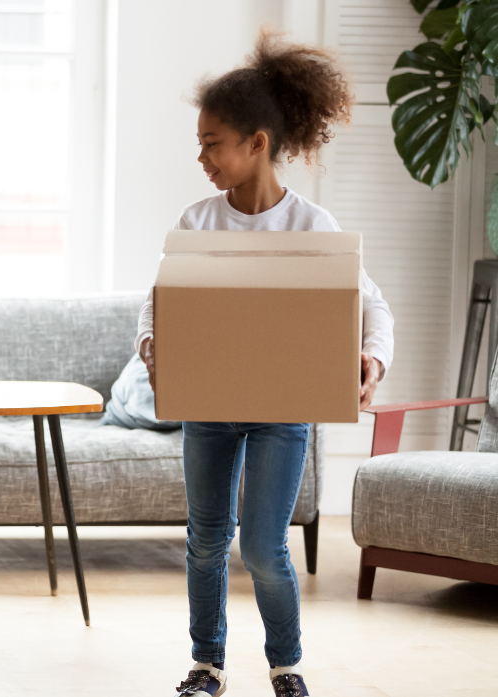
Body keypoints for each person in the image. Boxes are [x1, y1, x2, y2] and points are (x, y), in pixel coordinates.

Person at [136, 30, 394, 697]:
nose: (202, 157)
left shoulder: (312, 227)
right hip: (209, 412)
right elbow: (154, 306)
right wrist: (152, 344)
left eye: (212, 142)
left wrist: (371, 356)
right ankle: (207, 666)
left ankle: (285, 664)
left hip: (283, 415)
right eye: (199, 143)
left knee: (262, 547)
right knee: (204, 541)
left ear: (257, 142)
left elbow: (375, 309)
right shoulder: (196, 224)